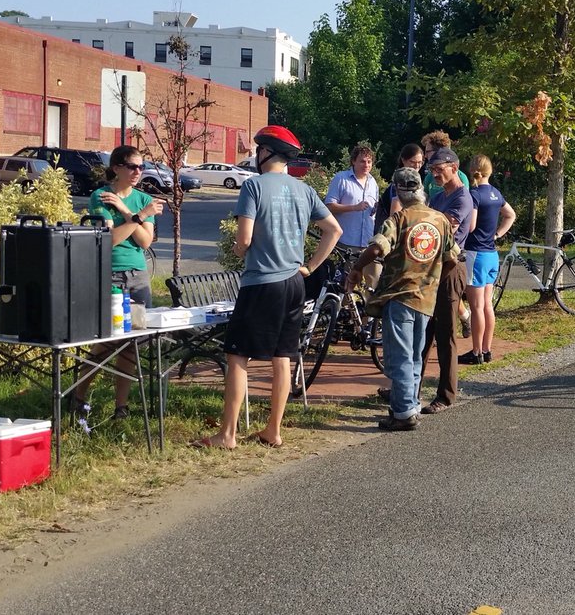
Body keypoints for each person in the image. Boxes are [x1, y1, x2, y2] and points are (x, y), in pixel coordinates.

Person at [193, 126, 342, 449]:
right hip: (294, 283)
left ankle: (227, 434)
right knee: (283, 357)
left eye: (259, 150)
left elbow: (244, 240)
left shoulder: (253, 187)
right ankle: (273, 430)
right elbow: (334, 230)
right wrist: (311, 266)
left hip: (262, 282)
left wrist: (238, 248)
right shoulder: (304, 191)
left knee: (237, 356)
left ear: (267, 153)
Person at [345, 167, 459, 430]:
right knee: (416, 356)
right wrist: (434, 279)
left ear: (397, 190)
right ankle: (410, 404)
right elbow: (452, 258)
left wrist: (356, 269)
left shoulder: (398, 219)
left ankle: (403, 413)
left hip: (400, 297)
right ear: (421, 188)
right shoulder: (440, 220)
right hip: (426, 299)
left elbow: (376, 248)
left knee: (399, 357)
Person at [70, 146, 164, 421]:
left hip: (138, 274)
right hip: (111, 275)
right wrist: (138, 217)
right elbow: (111, 240)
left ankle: (121, 407)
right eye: (132, 167)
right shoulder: (101, 196)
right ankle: (77, 396)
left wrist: (126, 210)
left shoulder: (143, 198)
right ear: (117, 168)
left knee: (132, 343)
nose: (138, 172)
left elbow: (145, 242)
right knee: (106, 343)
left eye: (141, 167)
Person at [420, 147, 474, 415]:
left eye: (438, 169)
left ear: (454, 167)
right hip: (431, 268)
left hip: (451, 268)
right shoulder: (438, 197)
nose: (434, 175)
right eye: (431, 170)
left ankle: (446, 395)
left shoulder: (463, 198)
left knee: (444, 334)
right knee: (423, 332)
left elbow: (440, 229)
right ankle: (410, 389)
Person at [460, 155, 516, 365]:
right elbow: (510, 214)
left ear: (472, 170)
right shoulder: (495, 193)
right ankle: (487, 349)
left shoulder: (473, 195)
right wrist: (497, 234)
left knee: (476, 307)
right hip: (492, 254)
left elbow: (472, 226)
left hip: (476, 254)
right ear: (490, 171)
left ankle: (476, 352)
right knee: (487, 305)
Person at [325, 144, 379, 248]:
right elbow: (329, 206)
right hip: (345, 242)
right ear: (353, 161)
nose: (366, 165)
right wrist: (354, 207)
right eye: (362, 161)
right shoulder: (341, 179)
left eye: (369, 162)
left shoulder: (373, 183)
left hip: (367, 243)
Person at [420, 130, 470, 200]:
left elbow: (464, 201)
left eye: (428, 152)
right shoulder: (429, 176)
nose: (425, 156)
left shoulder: (461, 177)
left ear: (440, 152)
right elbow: (424, 201)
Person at [383, 143, 425, 224]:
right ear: (403, 160)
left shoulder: (417, 179)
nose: (417, 166)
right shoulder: (399, 183)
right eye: (413, 162)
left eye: (420, 162)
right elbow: (394, 219)